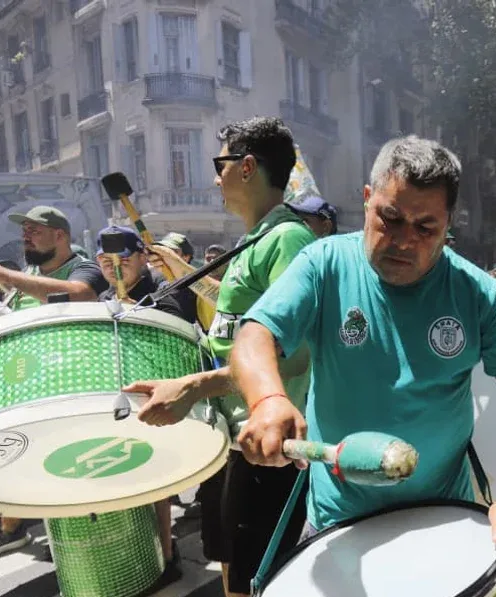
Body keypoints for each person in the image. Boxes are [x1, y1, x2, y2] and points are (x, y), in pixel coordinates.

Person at [229, 135, 496, 565]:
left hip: (442, 516)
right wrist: (268, 400)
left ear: (448, 223)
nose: (403, 240)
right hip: (337, 521)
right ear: (367, 200)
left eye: (425, 228)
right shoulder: (323, 265)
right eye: (390, 218)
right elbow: (254, 334)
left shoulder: (476, 293)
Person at [126, 117, 316, 597]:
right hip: (238, 437)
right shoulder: (258, 239)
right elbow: (234, 313)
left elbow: (294, 354)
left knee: (259, 581)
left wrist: (194, 386)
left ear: (247, 167)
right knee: (233, 567)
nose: (215, 179)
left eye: (220, 165)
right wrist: (182, 271)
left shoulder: (287, 240)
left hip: (268, 444)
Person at [0, 205, 108, 564]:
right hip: (25, 379)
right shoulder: (29, 274)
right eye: (25, 230)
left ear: (60, 235)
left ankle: (77, 538)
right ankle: (10, 527)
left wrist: (4, 274)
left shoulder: (84, 267)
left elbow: (80, 293)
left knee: (68, 463)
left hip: (71, 384)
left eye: (34, 230)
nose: (25, 236)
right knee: (18, 457)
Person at [93, 225, 187, 587]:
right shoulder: (103, 296)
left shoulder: (162, 289)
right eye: (104, 259)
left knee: (155, 478)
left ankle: (166, 555)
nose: (114, 266)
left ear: (142, 257)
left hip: (155, 394)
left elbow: (179, 324)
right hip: (117, 393)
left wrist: (138, 311)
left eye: (122, 258)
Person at [147, 232, 200, 324]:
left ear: (186, 257)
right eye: (164, 251)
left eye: (172, 252)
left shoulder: (197, 282)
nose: (167, 255)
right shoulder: (153, 277)